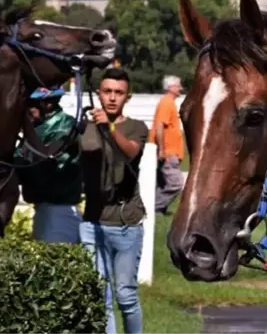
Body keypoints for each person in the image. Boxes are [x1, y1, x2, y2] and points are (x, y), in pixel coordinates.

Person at [79, 68, 148, 334]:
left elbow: (130, 152)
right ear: (99, 94)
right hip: (92, 224)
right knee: (101, 298)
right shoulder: (84, 129)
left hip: (126, 224)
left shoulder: (137, 128)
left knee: (126, 297)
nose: (111, 98)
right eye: (107, 91)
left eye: (118, 93)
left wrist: (107, 128)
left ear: (127, 97)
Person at [14, 87, 83, 244]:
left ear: (48, 104)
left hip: (60, 213)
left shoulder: (67, 127)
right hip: (43, 210)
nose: (25, 109)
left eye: (30, 104)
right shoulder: (37, 127)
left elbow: (45, 167)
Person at [148, 75, 185, 215]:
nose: (180, 88)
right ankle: (154, 208)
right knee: (176, 183)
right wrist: (162, 150)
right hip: (168, 152)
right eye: (178, 86)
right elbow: (159, 126)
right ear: (171, 88)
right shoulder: (166, 103)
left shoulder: (169, 103)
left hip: (170, 151)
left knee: (163, 183)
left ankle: (158, 209)